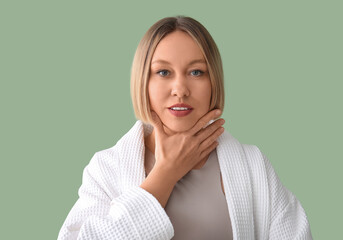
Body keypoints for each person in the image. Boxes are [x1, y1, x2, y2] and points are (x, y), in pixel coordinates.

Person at [58, 15, 312, 240]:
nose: (180, 89)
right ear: (142, 82)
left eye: (196, 72)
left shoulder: (253, 165)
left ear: (214, 81)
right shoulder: (105, 169)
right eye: (163, 72)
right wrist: (166, 173)